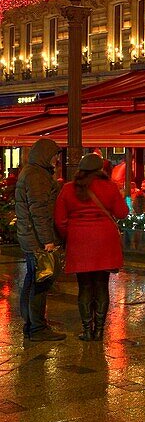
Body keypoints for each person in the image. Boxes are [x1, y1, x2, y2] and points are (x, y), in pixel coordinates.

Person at [54, 153, 129, 341]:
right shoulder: (110, 187)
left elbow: (60, 220)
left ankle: (87, 330)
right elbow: (122, 213)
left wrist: (69, 236)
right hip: (105, 241)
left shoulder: (69, 188)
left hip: (80, 241)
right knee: (102, 285)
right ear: (101, 169)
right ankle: (99, 331)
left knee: (85, 286)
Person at [15, 139, 66, 342]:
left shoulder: (31, 172)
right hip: (36, 239)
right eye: (55, 155)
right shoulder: (37, 176)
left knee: (32, 279)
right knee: (41, 281)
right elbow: (39, 211)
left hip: (29, 237)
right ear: (46, 155)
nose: (56, 160)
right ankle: (37, 327)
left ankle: (30, 324)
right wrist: (48, 240)